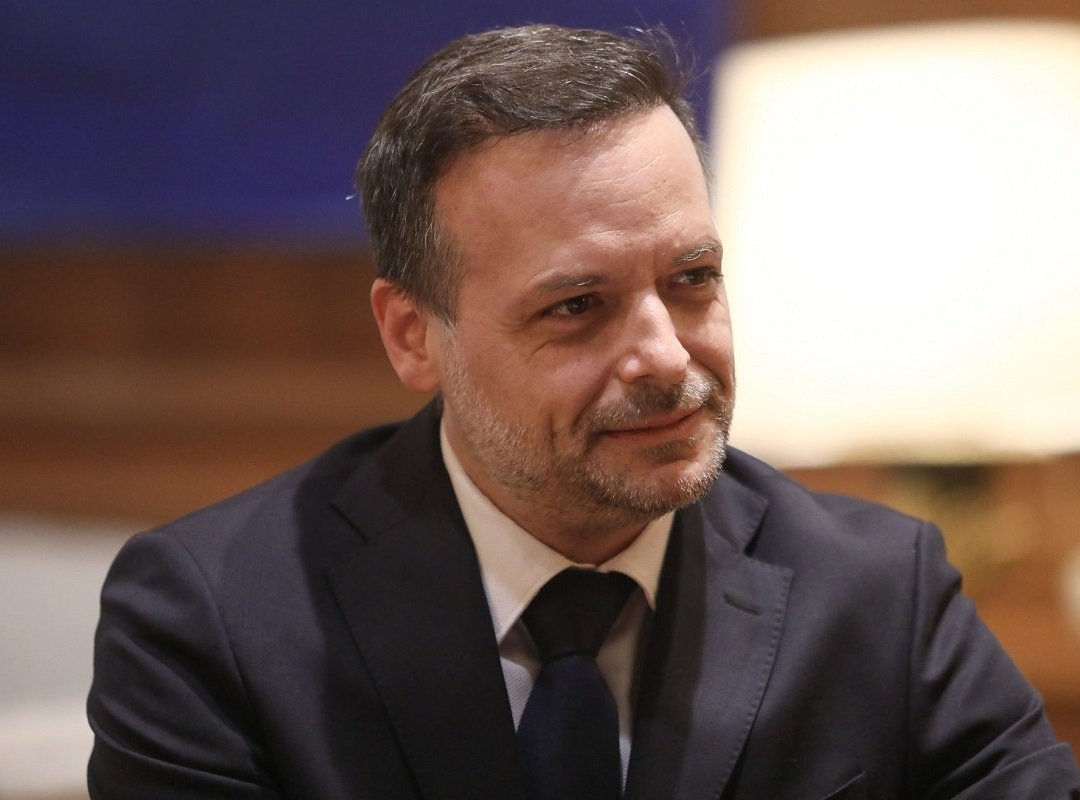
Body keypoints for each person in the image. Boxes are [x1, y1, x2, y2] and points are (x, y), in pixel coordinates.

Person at [87, 23, 1080, 800]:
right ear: (413, 335)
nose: (666, 355)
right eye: (577, 306)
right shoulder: (213, 618)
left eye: (692, 278)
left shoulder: (879, 592)